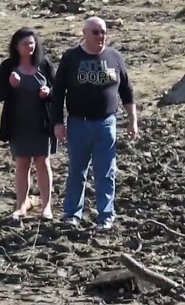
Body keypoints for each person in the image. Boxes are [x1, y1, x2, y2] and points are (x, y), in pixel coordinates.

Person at [51, 16, 138, 230]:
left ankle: (106, 216)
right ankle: (72, 214)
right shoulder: (71, 57)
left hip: (107, 124)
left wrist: (132, 120)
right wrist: (57, 123)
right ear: (85, 33)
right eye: (96, 32)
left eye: (104, 32)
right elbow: (58, 91)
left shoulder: (114, 57)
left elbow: (126, 90)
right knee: (77, 171)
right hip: (78, 123)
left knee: (106, 171)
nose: (101, 36)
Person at [0, 27, 57, 220]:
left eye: (32, 43)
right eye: (25, 44)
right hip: (18, 124)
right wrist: (11, 85)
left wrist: (49, 92)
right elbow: (0, 95)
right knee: (22, 163)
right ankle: (21, 205)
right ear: (16, 46)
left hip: (41, 123)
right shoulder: (8, 66)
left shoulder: (44, 64)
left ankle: (46, 207)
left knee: (42, 161)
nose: (29, 47)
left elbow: (57, 89)